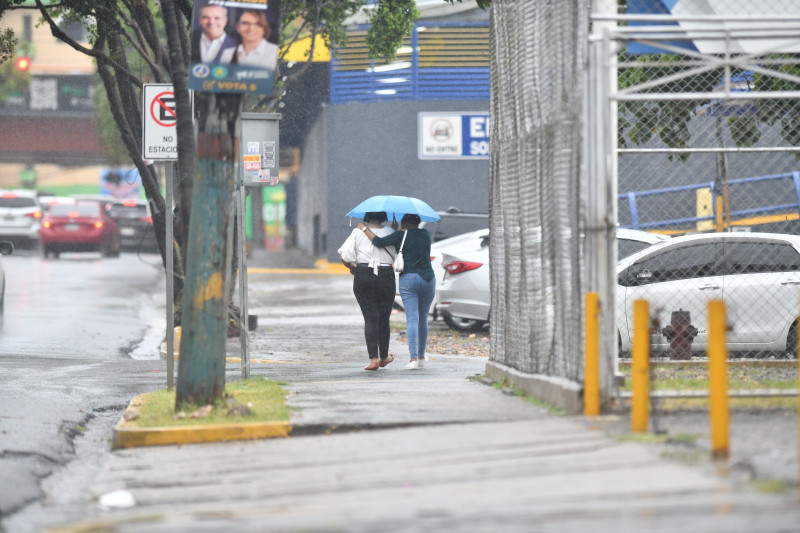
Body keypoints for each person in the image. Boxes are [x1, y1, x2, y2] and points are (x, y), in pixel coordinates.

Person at [359, 214, 435, 370]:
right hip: (428, 279)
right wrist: (396, 231)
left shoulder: (401, 235)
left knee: (412, 319)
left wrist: (364, 228)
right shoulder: (425, 234)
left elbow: (378, 242)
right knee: (423, 318)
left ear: (405, 223)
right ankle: (421, 357)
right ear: (419, 222)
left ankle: (413, 358)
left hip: (409, 279)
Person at [338, 212, 397, 371]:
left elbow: (345, 255)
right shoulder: (390, 232)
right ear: (383, 217)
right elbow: (398, 255)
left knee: (370, 318)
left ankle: (373, 359)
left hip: (363, 274)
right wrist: (395, 230)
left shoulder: (357, 232)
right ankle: (384, 356)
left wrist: (352, 268)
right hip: (385, 275)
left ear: (366, 217)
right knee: (384, 318)